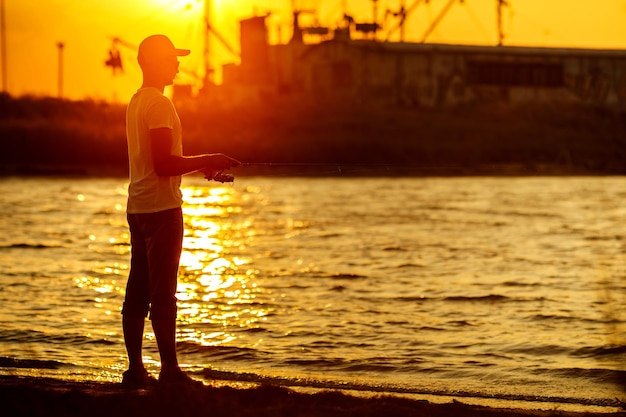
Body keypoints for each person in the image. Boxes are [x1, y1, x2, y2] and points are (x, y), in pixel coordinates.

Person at [121, 34, 240, 388]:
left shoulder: (136, 101)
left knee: (137, 292)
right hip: (162, 211)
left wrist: (199, 167)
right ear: (156, 62)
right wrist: (211, 157)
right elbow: (163, 163)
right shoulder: (159, 104)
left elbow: (159, 162)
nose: (177, 63)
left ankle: (135, 370)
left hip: (138, 207)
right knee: (162, 294)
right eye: (172, 57)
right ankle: (170, 372)